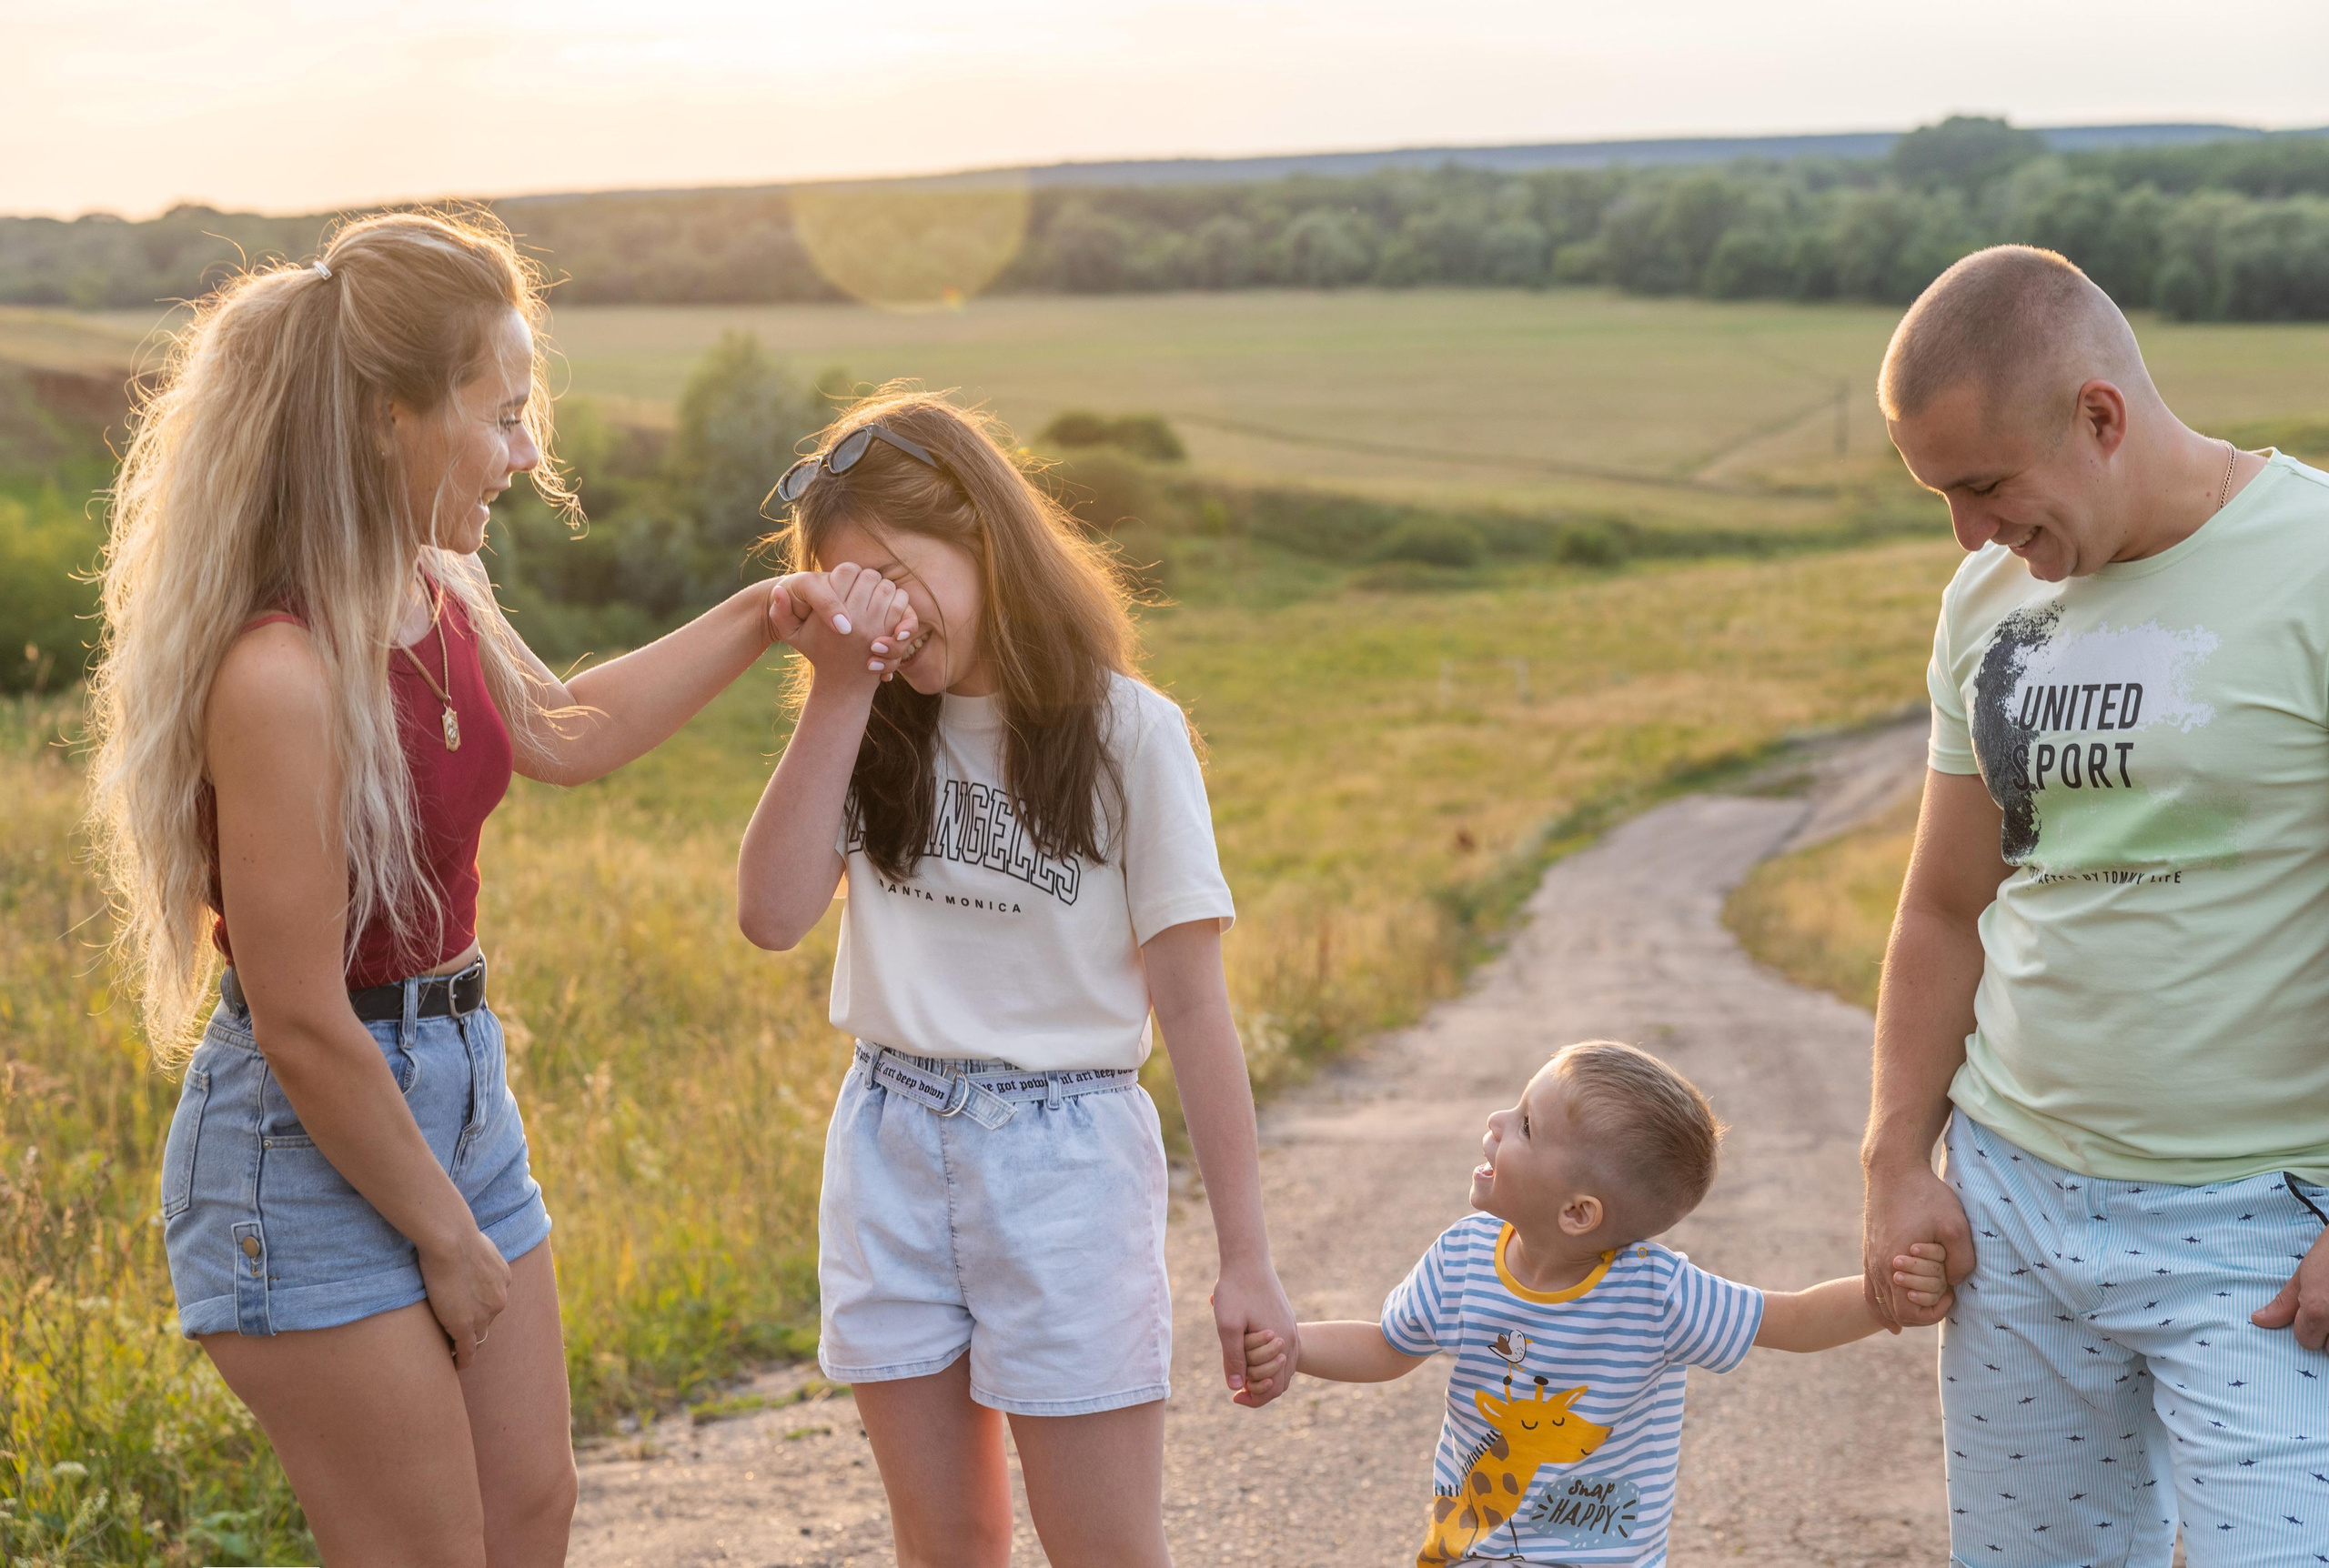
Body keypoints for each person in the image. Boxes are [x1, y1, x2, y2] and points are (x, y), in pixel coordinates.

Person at [86, 209, 909, 1568]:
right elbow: (300, 1020)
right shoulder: (281, 674)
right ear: (389, 420)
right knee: (429, 1547)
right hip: (306, 1143)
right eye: (505, 414)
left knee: (531, 1511)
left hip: (456, 1087)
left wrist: (769, 615)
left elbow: (566, 729)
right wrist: (445, 1236)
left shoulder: (436, 582)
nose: (528, 454)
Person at [735, 388, 1299, 1568]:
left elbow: (1194, 1005)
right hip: (888, 1138)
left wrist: (1245, 1258)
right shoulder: (869, 721)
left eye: (896, 574)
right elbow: (772, 915)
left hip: (1064, 1159)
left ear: (983, 535)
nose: (883, 613)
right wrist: (840, 686)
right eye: (851, 588)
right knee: (946, 1544)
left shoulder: (1127, 733)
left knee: (1103, 1546)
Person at [1862, 243, 2329, 1565]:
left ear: (2101, 416)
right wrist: (1894, 1162)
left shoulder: (2316, 563)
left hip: (2262, 1236)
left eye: (1983, 486)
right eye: (1941, 497)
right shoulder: (1984, 602)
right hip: (2014, 1215)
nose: (1968, 533)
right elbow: (1942, 906)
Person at [1240, 1040, 1948, 1567]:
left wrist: (1886, 1297)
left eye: (1524, 1126)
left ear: (1578, 1212)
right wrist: (1294, 1345)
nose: (1495, 1121)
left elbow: (1790, 1320)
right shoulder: (1463, 1257)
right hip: (1470, 1548)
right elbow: (1389, 1345)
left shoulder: (1657, 1294)